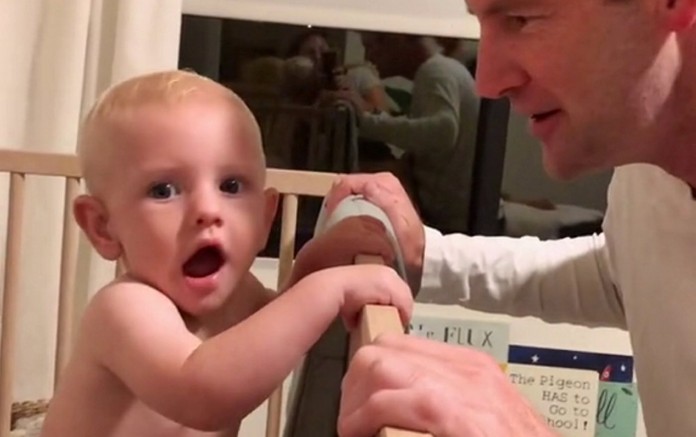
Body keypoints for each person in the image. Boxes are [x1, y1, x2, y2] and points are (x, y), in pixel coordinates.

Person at [289, 0, 696, 435]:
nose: (487, 82)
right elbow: (624, 271)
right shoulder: (644, 166)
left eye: (522, 19)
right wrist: (430, 255)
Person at [39, 70, 413, 437]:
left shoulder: (240, 295)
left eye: (230, 186)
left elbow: (274, 332)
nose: (207, 210)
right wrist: (329, 289)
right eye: (163, 190)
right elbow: (200, 392)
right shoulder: (123, 309)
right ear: (103, 227)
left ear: (264, 218)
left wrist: (316, 263)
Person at [334, 32, 481, 234]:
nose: (369, 57)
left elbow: (443, 132)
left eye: (373, 45)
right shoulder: (443, 69)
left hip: (452, 221)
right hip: (460, 214)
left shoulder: (435, 71)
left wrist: (366, 122)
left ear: (398, 39)